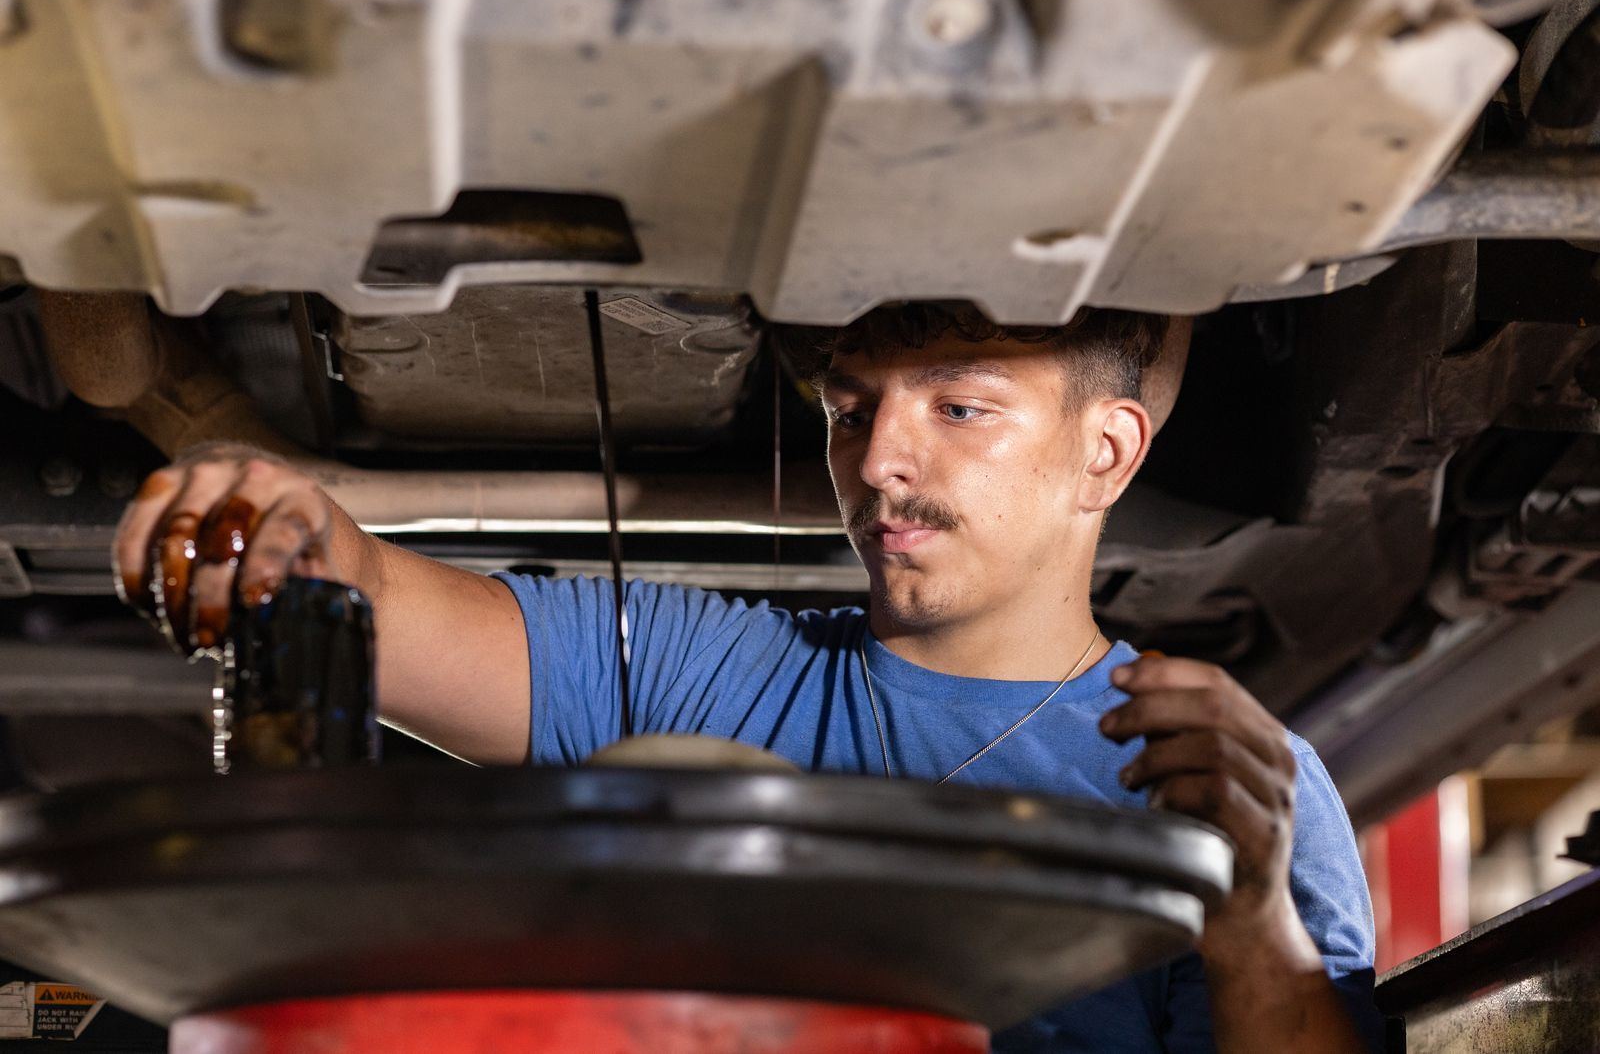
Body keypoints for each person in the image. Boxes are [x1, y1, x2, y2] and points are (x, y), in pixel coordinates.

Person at [114, 303, 1381, 1052]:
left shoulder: (1219, 780)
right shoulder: (695, 670)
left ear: (1104, 452)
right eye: (850, 409)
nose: (878, 459)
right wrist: (283, 522)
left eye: (959, 408)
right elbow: (378, 603)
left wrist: (1255, 918)